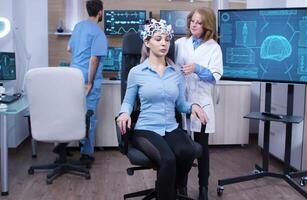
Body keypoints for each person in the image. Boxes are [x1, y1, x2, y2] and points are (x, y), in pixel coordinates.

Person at [117, 19, 208, 200]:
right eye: (158, 39)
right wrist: (124, 112)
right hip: (146, 128)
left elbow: (181, 104)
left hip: (171, 127)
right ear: (147, 42)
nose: (164, 43)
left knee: (188, 152)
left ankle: (170, 190)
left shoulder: (176, 73)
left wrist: (194, 106)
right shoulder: (137, 72)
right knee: (168, 159)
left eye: (167, 39)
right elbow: (128, 101)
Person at [175, 7, 223, 200]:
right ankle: (182, 186)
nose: (194, 24)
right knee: (182, 148)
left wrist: (197, 68)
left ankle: (203, 188)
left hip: (202, 103)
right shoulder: (179, 43)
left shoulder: (214, 47)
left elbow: (215, 76)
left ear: (207, 26)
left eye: (199, 22)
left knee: (202, 150)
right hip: (181, 102)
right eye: (192, 21)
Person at [67, 0, 108, 163]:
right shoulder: (98, 34)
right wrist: (89, 82)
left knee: (74, 113)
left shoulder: (78, 26)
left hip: (72, 76)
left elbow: (69, 49)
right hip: (86, 78)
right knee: (88, 116)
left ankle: (65, 145)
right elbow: (93, 60)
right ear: (100, 12)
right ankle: (85, 154)